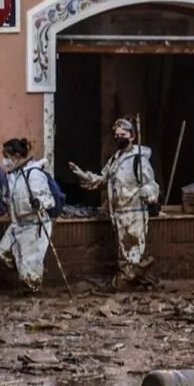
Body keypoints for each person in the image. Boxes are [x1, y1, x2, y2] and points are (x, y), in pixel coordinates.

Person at [71, 117, 160, 288]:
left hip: (134, 212)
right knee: (125, 251)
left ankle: (130, 281)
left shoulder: (138, 160)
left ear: (132, 136)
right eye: (117, 135)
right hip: (118, 212)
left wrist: (148, 194)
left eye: (123, 134)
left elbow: (151, 184)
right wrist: (84, 175)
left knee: (133, 250)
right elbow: (103, 180)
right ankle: (143, 279)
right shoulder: (115, 160)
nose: (119, 138)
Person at [0, 138, 56, 293]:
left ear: (17, 155)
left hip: (34, 226)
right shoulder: (14, 176)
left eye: (6, 155)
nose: (5, 160)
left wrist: (39, 202)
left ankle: (34, 296)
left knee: (29, 273)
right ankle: (26, 272)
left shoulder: (34, 174)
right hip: (17, 224)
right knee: (3, 252)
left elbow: (49, 200)